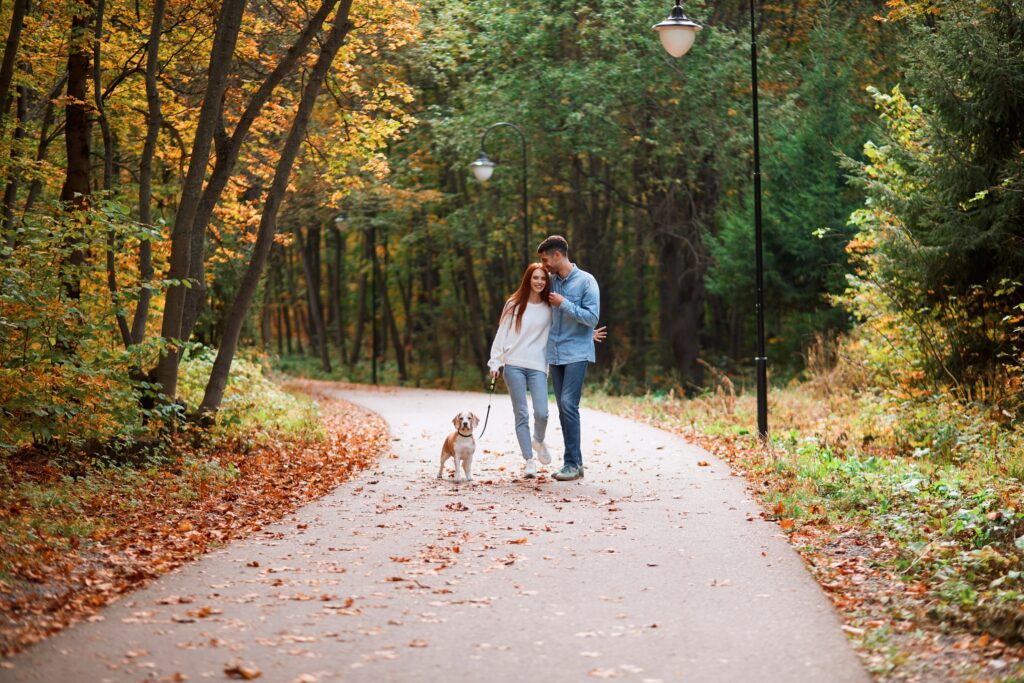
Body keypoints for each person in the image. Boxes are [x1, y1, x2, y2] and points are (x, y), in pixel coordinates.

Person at [488, 262, 605, 479]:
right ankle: (529, 461)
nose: (540, 282)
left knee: (542, 412)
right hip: (513, 363)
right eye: (535, 278)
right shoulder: (513, 304)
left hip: (538, 366)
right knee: (521, 413)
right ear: (528, 280)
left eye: (543, 278)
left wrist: (587, 335)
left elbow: (561, 330)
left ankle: (538, 441)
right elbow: (501, 334)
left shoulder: (549, 307)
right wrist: (495, 363)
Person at [537, 235, 599, 482]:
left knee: (568, 404)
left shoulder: (586, 282)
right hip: (555, 353)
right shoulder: (550, 282)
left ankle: (571, 464)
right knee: (564, 409)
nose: (544, 265)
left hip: (577, 353)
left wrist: (564, 304)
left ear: (557, 255)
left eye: (545, 259)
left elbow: (592, 317)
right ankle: (576, 463)